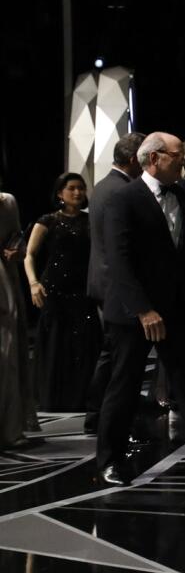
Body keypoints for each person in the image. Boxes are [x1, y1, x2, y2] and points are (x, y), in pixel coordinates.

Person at [96, 132, 185, 486]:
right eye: (176, 155)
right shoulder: (123, 199)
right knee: (124, 385)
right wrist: (143, 310)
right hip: (132, 312)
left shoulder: (184, 194)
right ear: (154, 159)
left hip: (175, 309)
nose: (183, 160)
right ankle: (110, 459)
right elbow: (119, 262)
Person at [23, 173, 102, 411]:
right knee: (57, 343)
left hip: (82, 290)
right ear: (60, 193)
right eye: (71, 188)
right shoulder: (47, 221)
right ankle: (54, 398)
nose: (77, 193)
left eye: (81, 188)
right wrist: (33, 283)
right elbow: (30, 255)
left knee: (84, 344)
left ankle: (81, 397)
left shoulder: (90, 221)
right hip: (54, 290)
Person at [84, 132, 146, 434]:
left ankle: (98, 415)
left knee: (111, 355)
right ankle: (101, 416)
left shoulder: (103, 186)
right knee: (117, 358)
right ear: (135, 159)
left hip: (105, 281)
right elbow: (117, 247)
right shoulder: (120, 191)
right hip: (114, 285)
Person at [0, 179, 34, 449]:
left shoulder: (7, 202)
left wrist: (16, 248)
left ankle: (10, 429)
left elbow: (17, 236)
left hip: (4, 285)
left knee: (8, 355)